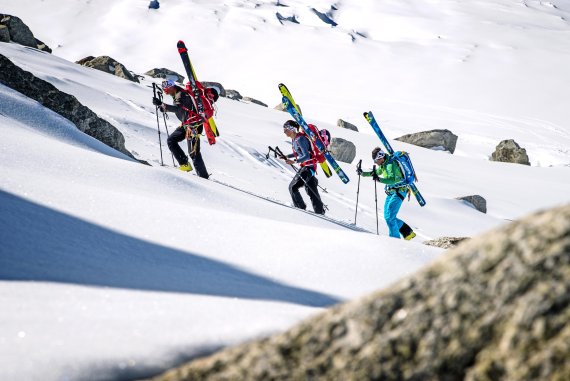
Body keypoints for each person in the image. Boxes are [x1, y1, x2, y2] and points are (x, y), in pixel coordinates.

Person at [152, 80, 218, 179]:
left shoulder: (180, 94)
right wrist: (164, 107)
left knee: (194, 153)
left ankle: (203, 177)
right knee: (172, 140)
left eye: (167, 88)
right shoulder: (179, 93)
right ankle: (185, 165)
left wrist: (163, 105)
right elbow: (181, 109)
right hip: (187, 125)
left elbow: (178, 108)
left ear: (172, 87)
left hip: (193, 126)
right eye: (164, 88)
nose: (165, 91)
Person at [357, 147, 416, 240]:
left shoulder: (390, 165)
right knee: (387, 216)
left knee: (390, 217)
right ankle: (408, 233)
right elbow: (376, 172)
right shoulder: (384, 164)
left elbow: (393, 179)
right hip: (391, 192)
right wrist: (363, 173)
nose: (375, 163)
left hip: (400, 191)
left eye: (376, 160)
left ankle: (395, 241)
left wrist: (379, 179)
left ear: (381, 157)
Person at [281, 120, 325, 214]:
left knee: (292, 187)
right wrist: (287, 156)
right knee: (311, 190)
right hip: (309, 167)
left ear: (292, 129)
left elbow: (306, 156)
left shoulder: (300, 139)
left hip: (308, 168)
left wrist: (294, 161)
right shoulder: (295, 139)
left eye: (286, 130)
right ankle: (320, 211)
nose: (284, 132)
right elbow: (298, 152)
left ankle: (300, 210)